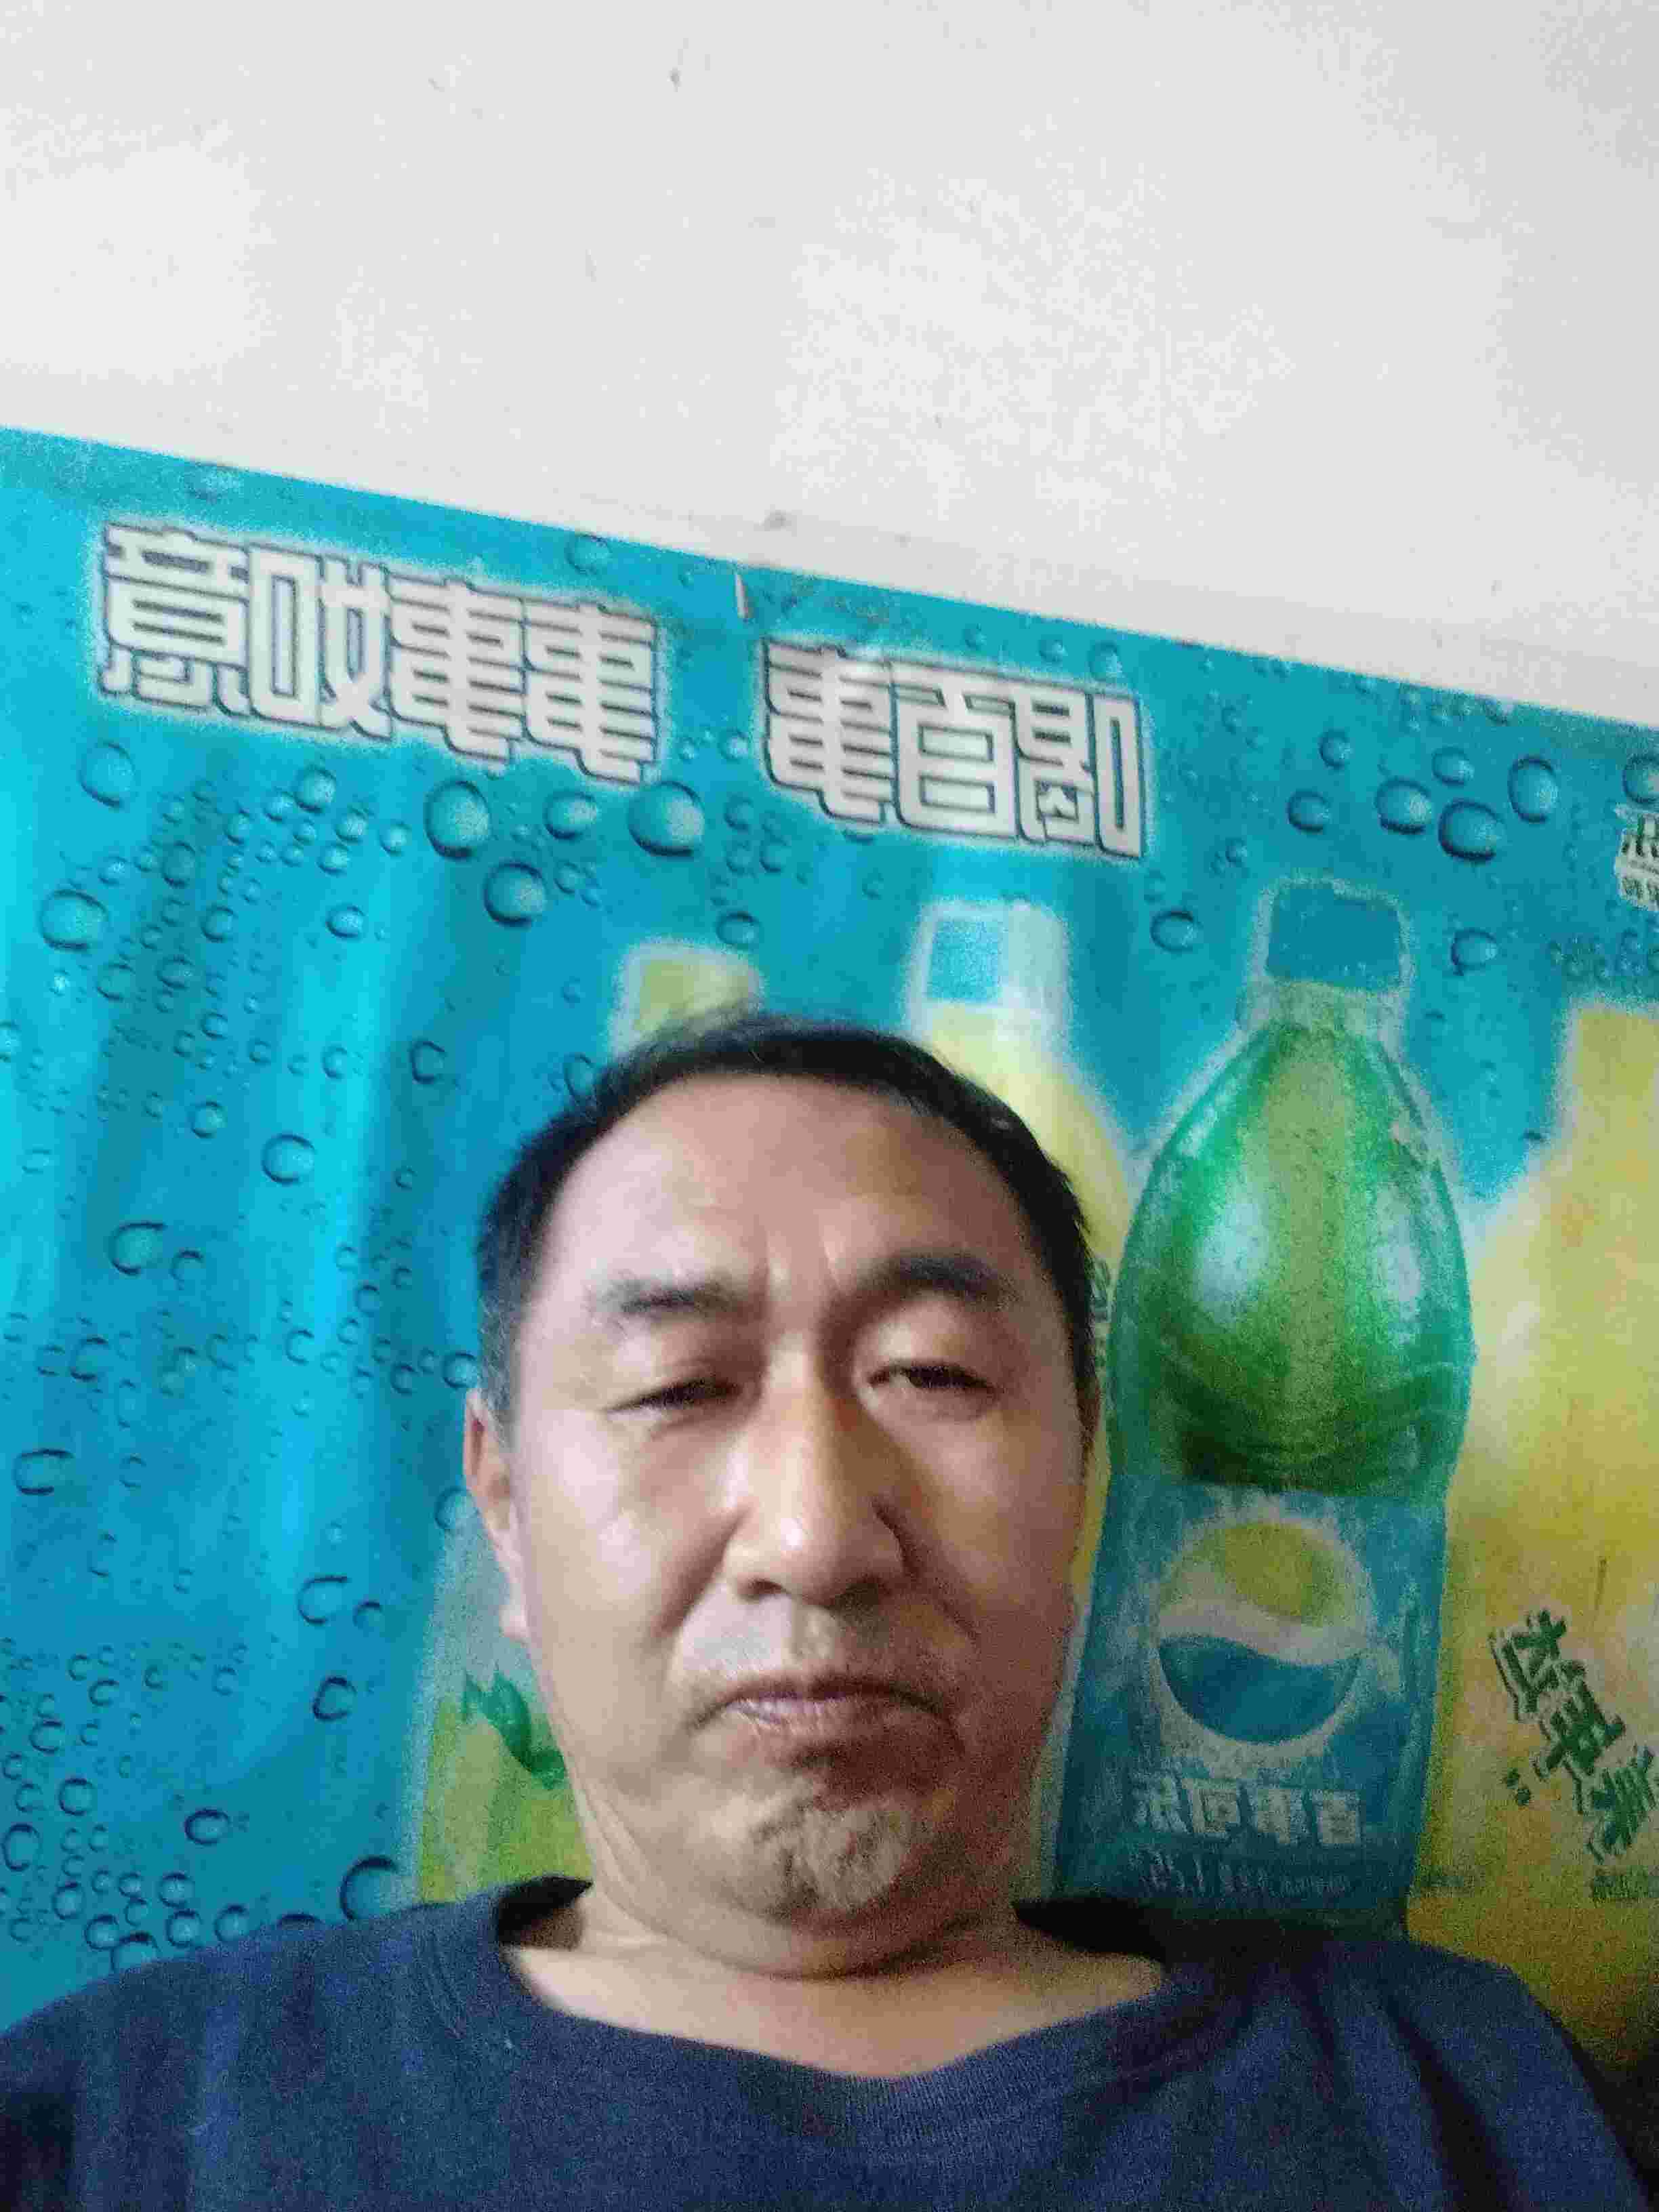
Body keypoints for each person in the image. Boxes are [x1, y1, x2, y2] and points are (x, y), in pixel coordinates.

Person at [1, 1009, 1651, 2209]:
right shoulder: (129, 2122)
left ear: (1084, 1478)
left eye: (932, 1376)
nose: (813, 1537)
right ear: (503, 1504)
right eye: (678, 1386)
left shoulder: (1458, 2101)